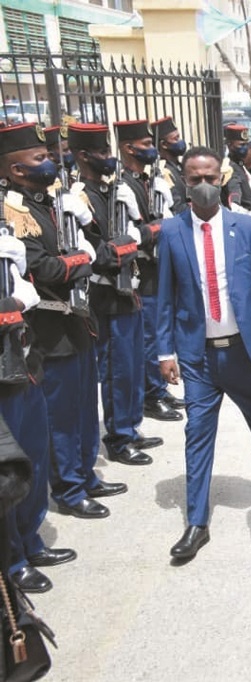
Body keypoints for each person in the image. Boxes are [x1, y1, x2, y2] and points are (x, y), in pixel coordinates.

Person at [156, 146, 251, 561]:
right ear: (184, 182)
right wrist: (164, 352)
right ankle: (196, 522)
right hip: (197, 357)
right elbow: (164, 297)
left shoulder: (246, 228)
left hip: (243, 349)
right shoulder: (172, 232)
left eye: (211, 178)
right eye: (195, 179)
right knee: (196, 435)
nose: (205, 186)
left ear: (222, 178)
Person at [3, 122, 127, 521]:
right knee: (59, 416)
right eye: (38, 158)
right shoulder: (11, 210)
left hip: (76, 320)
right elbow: (41, 268)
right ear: (16, 170)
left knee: (83, 407)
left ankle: (85, 472)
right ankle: (69, 488)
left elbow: (91, 244)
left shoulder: (51, 201)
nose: (50, 162)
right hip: (48, 326)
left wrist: (84, 237)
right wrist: (81, 261)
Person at [70, 122, 159, 468]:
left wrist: (133, 235)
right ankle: (119, 436)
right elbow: (100, 254)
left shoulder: (112, 191)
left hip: (127, 290)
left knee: (132, 365)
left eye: (109, 150)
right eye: (102, 152)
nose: (108, 158)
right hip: (104, 295)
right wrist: (141, 236)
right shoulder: (80, 198)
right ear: (83, 156)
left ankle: (130, 426)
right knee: (115, 368)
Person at [0, 231, 77, 593]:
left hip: (23, 360)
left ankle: (30, 541)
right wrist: (10, 301)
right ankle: (12, 560)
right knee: (8, 471)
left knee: (33, 456)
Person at [115, 120, 183, 423]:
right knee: (149, 337)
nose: (151, 149)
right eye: (145, 144)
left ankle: (158, 389)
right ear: (129, 148)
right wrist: (156, 228)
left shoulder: (147, 180)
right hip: (140, 269)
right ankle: (152, 394)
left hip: (158, 267)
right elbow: (131, 234)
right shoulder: (124, 185)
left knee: (159, 331)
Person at [221, 124, 251, 217]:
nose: (245, 148)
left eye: (246, 144)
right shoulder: (230, 167)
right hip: (244, 217)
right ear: (230, 145)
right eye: (241, 145)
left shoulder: (240, 165)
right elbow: (234, 190)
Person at [153, 116, 189, 215]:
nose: (180, 141)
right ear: (164, 144)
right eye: (175, 139)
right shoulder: (163, 171)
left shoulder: (180, 166)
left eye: (179, 137)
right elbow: (177, 207)